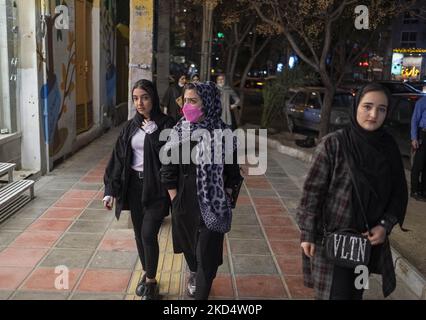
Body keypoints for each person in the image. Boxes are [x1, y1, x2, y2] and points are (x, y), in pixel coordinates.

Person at [296, 83, 408, 300]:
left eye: (381, 109)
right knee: (333, 295)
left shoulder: (389, 148)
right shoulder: (334, 144)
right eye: (367, 106)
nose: (374, 114)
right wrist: (307, 233)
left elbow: (399, 193)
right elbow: (312, 193)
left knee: (356, 293)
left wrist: (385, 225)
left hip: (366, 245)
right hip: (332, 241)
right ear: (355, 106)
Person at [160, 81, 242, 300]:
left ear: (207, 103)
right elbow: (167, 168)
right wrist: (175, 200)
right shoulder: (179, 130)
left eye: (193, 101)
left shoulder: (224, 132)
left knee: (207, 255)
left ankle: (201, 292)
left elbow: (233, 172)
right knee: (190, 249)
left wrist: (225, 195)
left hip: (212, 204)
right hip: (184, 203)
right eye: (185, 101)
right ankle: (195, 273)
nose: (187, 106)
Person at [103, 79, 175, 300]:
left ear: (152, 98)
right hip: (133, 187)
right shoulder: (130, 126)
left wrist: (155, 136)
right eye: (135, 98)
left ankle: (151, 282)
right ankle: (148, 272)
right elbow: (118, 158)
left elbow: (172, 158)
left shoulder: (167, 124)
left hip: (157, 188)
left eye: (144, 97)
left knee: (148, 234)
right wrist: (110, 190)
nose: (140, 103)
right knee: (138, 234)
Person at [410, 86, 426, 201]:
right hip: (423, 135)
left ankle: (424, 190)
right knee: (418, 165)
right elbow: (414, 120)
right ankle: (414, 191)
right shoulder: (422, 102)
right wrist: (414, 138)